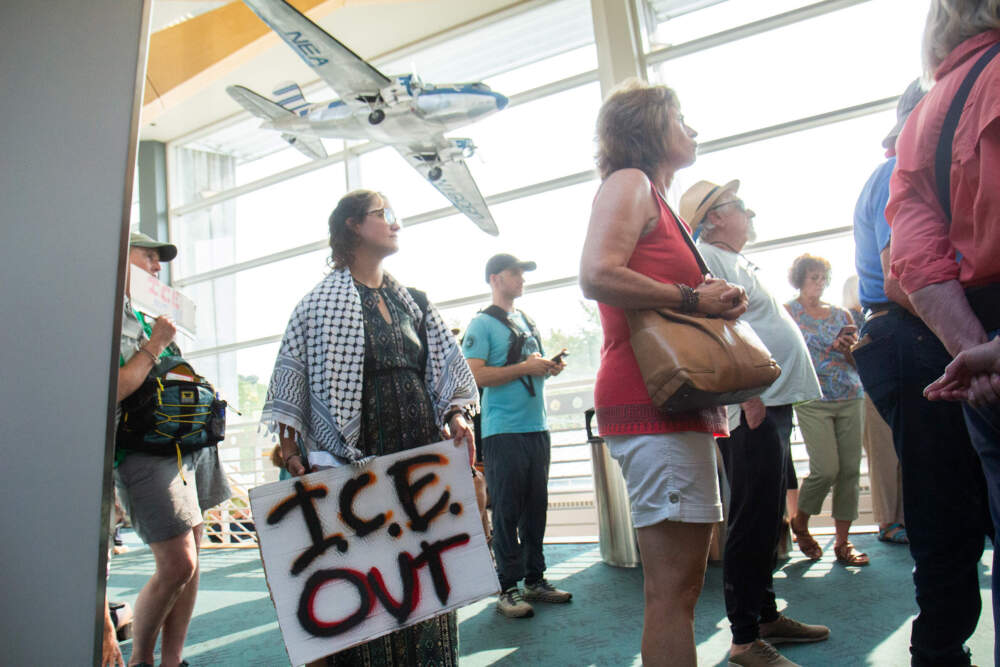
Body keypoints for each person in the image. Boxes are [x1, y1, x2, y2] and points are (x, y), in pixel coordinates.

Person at [261, 189, 479, 666]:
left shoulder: (413, 301)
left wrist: (457, 415)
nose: (395, 223)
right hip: (358, 458)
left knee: (426, 574)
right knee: (370, 578)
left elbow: (445, 373)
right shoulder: (317, 306)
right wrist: (292, 446)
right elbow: (292, 378)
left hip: (418, 453)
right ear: (354, 226)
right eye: (385, 215)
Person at [580, 78, 748, 667]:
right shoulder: (629, 184)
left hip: (671, 408)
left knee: (679, 592)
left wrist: (709, 295)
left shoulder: (652, 196)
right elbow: (596, 274)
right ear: (649, 127)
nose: (692, 129)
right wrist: (693, 298)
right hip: (650, 403)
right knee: (672, 593)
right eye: (680, 117)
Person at [854, 76, 991, 666]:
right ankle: (938, 651)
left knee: (956, 505)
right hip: (909, 338)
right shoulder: (897, 171)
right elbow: (901, 277)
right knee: (945, 509)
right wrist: (977, 342)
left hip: (914, 339)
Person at [886, 3, 1000, 660]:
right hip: (970, 346)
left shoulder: (926, 116)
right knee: (947, 514)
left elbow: (917, 259)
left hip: (970, 335)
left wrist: (975, 351)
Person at [679, 180, 828, 666]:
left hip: (769, 402)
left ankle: (765, 615)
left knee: (767, 516)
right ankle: (745, 637)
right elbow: (717, 329)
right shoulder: (708, 256)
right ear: (714, 217)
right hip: (754, 407)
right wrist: (749, 395)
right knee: (751, 517)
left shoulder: (737, 260)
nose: (750, 211)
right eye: (739, 206)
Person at [114, 232, 232, 667]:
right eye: (147, 257)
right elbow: (118, 388)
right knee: (179, 563)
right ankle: (142, 661)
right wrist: (156, 343)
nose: (156, 266)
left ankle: (172, 661)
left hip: (184, 445)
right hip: (142, 450)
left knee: (192, 558)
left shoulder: (146, 313)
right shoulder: (105, 314)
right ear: (119, 258)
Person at [461, 254, 570, 619]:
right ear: (495, 278)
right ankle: (507, 587)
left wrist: (547, 368)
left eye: (523, 273)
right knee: (506, 510)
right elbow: (474, 375)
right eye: (515, 273)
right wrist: (525, 367)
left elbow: (526, 368)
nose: (522, 279)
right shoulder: (482, 324)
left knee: (535, 507)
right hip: (503, 431)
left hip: (536, 428)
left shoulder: (525, 320)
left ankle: (535, 579)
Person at [784, 254, 869, 567]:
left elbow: (856, 362)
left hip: (849, 393)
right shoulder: (788, 313)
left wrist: (847, 349)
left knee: (849, 471)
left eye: (822, 278)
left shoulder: (841, 314)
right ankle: (801, 521)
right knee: (826, 469)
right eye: (813, 277)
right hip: (811, 397)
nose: (818, 284)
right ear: (800, 279)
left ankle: (843, 543)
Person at [842, 273, 906, 546]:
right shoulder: (855, 320)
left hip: (897, 387)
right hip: (870, 392)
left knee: (904, 455)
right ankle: (887, 521)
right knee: (883, 458)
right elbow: (859, 361)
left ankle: (903, 518)